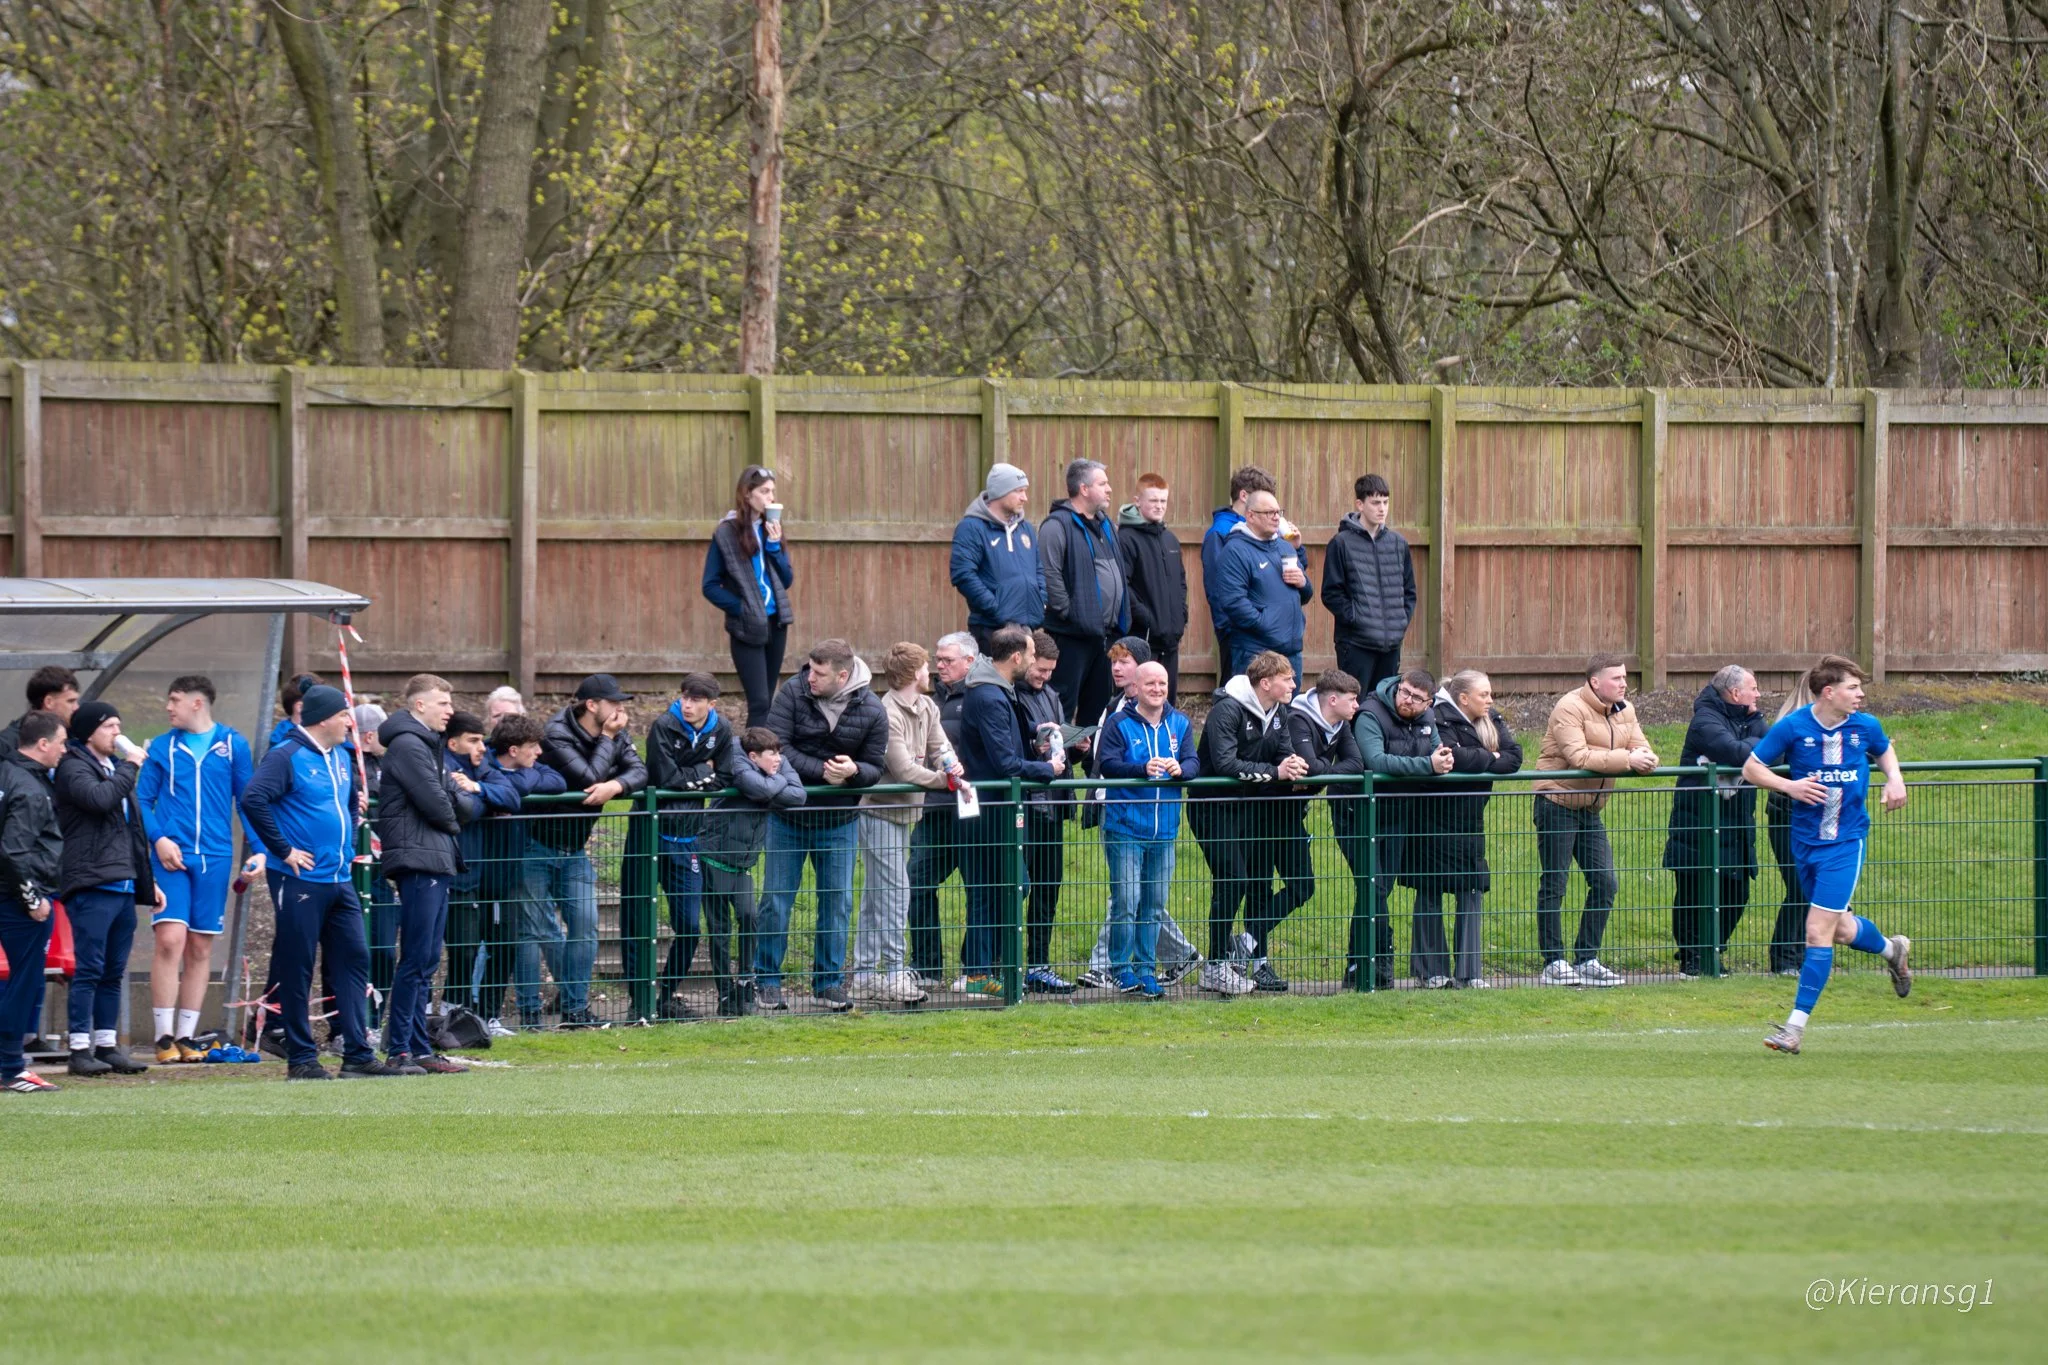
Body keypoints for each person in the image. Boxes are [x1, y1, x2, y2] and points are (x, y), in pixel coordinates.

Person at [1746, 655, 1912, 1055]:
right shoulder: (1794, 726)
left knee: (1816, 931)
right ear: (1829, 692)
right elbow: (1752, 767)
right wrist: (1790, 787)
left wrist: (1895, 779)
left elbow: (1884, 750)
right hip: (1804, 842)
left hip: (1845, 843)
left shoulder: (1866, 726)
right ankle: (1894, 950)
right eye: (1854, 688)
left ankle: (1793, 1029)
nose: (1861, 695)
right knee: (1839, 930)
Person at [240, 686, 402, 1079]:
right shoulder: (286, 756)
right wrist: (284, 850)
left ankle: (358, 1056)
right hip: (300, 880)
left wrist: (345, 842)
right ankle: (301, 1059)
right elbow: (253, 799)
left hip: (338, 878)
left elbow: (348, 801)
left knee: (354, 958)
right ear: (323, 718)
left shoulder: (342, 757)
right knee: (297, 967)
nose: (351, 721)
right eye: (345, 714)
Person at [759, 639, 889, 1011]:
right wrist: (823, 772)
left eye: (819, 673)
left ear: (842, 675)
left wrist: (853, 772)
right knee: (776, 902)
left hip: (839, 820)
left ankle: (829, 983)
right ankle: (766, 980)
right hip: (788, 817)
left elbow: (874, 768)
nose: (810, 678)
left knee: (837, 903)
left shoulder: (873, 709)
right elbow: (776, 747)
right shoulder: (792, 693)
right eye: (810, 669)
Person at [135, 675, 260, 1065]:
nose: (168, 707)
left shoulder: (233, 744)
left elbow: (248, 800)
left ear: (197, 703)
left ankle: (188, 1037)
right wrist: (158, 839)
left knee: (201, 946)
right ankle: (163, 1036)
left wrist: (258, 851)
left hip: (216, 857)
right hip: (171, 856)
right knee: (171, 939)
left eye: (174, 700)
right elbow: (140, 799)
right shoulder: (161, 747)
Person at [1075, 635, 1202, 989]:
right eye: (1150, 683)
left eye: (1162, 683)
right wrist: (1142, 768)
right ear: (1138, 686)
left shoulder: (1179, 724)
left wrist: (1182, 770)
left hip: (1165, 831)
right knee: (1126, 902)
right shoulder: (1119, 723)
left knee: (1153, 903)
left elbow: (1194, 762)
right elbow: (1109, 765)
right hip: (1126, 826)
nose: (1157, 689)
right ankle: (1120, 969)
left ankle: (1146, 970)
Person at [1530, 654, 1658, 987]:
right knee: (1555, 884)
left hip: (1590, 809)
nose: (1624, 683)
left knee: (1605, 883)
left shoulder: (1625, 710)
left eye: (1625, 677)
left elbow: (1641, 747)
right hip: (1557, 801)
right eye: (1616, 678)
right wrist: (1629, 759)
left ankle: (1586, 958)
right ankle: (1553, 962)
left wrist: (1646, 758)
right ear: (1594, 682)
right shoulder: (1569, 708)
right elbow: (1579, 757)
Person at [955, 626, 1065, 995]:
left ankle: (983, 970)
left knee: (1004, 885)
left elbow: (1009, 742)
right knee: (1001, 886)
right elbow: (1004, 762)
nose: (1035, 660)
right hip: (989, 808)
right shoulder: (988, 695)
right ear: (1016, 657)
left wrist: (1037, 733)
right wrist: (1047, 771)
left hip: (998, 806)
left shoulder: (998, 691)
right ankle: (979, 971)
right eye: (1032, 654)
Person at [533, 674, 648, 1027]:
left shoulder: (615, 733)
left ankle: (575, 1009)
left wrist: (616, 784)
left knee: (585, 926)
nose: (620, 710)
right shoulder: (555, 734)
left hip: (575, 849)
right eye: (613, 702)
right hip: (535, 846)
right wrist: (609, 739)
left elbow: (640, 770)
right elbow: (586, 778)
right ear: (591, 705)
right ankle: (523, 1012)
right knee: (529, 929)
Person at [1191, 651, 1308, 995]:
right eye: (1287, 678)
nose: (1293, 684)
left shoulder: (1279, 712)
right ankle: (1215, 964)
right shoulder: (1227, 710)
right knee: (1233, 879)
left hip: (1249, 809)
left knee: (1253, 881)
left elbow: (1282, 752)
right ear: (1266, 682)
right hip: (1214, 810)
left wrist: (1293, 764)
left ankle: (1244, 960)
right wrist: (1276, 772)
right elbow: (1226, 763)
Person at [376, 674, 476, 1075]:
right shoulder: (408, 745)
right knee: (416, 959)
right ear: (419, 706)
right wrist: (454, 813)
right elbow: (441, 804)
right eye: (442, 703)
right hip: (419, 860)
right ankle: (400, 1049)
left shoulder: (427, 745)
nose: (450, 711)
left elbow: (458, 801)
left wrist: (455, 806)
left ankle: (418, 1048)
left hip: (435, 857)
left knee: (427, 958)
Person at [52, 702, 159, 1076]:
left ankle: (107, 1045)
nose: (117, 731)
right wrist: (131, 764)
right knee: (90, 967)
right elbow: (99, 800)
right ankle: (79, 1048)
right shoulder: (72, 768)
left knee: (114, 969)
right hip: (91, 882)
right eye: (110, 725)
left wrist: (147, 881)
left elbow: (132, 830)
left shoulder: (113, 768)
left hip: (122, 884)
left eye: (119, 724)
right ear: (89, 732)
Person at [853, 643, 959, 1004]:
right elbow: (903, 770)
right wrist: (942, 781)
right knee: (896, 893)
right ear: (916, 673)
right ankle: (895, 972)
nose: (930, 673)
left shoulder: (927, 706)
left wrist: (951, 765)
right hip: (879, 812)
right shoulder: (887, 713)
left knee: (875, 896)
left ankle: (865, 974)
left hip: (906, 815)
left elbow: (940, 746)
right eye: (927, 667)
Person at [1411, 671, 1522, 988]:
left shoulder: (1491, 717)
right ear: (1463, 698)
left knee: (1472, 888)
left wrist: (1480, 759)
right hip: (1432, 817)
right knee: (1430, 888)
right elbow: (1450, 756)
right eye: (1484, 694)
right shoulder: (1435, 716)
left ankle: (1470, 972)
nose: (1490, 700)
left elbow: (1514, 757)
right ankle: (1431, 971)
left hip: (1471, 819)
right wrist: (1490, 757)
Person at [1662, 665, 1768, 978]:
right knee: (1694, 894)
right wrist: (1762, 744)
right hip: (1698, 828)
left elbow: (1771, 749)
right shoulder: (1705, 720)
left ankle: (1714, 952)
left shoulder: (1750, 719)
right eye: (1753, 687)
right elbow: (1736, 753)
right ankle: (1692, 960)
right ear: (1736, 694)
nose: (1758, 694)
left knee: (1736, 894)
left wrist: (1759, 731)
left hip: (1735, 826)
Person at [1355, 668, 1455, 987]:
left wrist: (1443, 761)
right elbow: (1377, 761)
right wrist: (1427, 766)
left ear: (1429, 703)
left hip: (1397, 812)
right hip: (1357, 812)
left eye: (1416, 698)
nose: (1407, 700)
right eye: (1405, 692)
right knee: (1373, 887)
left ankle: (1357, 966)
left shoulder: (1427, 720)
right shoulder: (1371, 713)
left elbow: (1439, 752)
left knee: (1379, 887)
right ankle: (1379, 959)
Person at [644, 673, 736, 1020]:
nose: (688, 704)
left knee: (689, 927)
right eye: (685, 697)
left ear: (712, 704)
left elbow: (725, 776)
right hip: (651, 835)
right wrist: (703, 772)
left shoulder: (722, 729)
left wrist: (694, 778)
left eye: (697, 699)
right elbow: (664, 778)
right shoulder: (664, 726)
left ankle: (666, 997)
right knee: (639, 918)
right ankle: (641, 999)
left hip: (689, 839)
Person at [697, 727, 806, 1017]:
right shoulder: (737, 763)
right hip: (715, 859)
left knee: (749, 918)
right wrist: (775, 784)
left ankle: (746, 985)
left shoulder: (773, 768)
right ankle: (724, 993)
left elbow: (799, 795)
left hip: (743, 865)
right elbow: (760, 789)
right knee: (719, 930)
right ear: (753, 756)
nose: (779, 759)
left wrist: (774, 780)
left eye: (780, 753)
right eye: (772, 754)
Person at [1284, 671, 1370, 987]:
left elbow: (1356, 764)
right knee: (1258, 885)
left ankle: (1248, 943)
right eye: (1352, 700)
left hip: (1296, 814)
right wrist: (1327, 771)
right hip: (1268, 811)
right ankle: (1247, 951)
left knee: (1303, 887)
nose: (1357, 706)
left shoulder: (1341, 725)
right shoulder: (1298, 720)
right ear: (1333, 700)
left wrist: (1323, 771)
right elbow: (1308, 769)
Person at [482, 714, 567, 1031]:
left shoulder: (522, 769)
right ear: (514, 750)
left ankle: (488, 1016)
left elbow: (557, 782)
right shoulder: (484, 765)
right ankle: (467, 1014)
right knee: (476, 947)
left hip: (511, 867)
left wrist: (514, 788)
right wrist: (513, 788)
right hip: (480, 871)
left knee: (507, 941)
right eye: (533, 747)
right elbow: (494, 785)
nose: (539, 753)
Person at [0, 714, 66, 1093]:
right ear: (42, 744)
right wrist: (33, 899)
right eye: (61, 741)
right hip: (18, 899)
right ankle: (11, 1068)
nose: (64, 749)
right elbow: (12, 851)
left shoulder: (8, 774)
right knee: (23, 982)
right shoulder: (30, 788)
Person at [906, 633, 976, 984]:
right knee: (915, 881)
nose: (939, 665)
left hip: (971, 809)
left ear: (970, 662)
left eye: (947, 659)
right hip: (933, 809)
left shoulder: (982, 698)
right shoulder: (928, 700)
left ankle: (977, 968)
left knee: (981, 889)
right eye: (937, 659)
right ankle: (927, 965)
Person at [704, 464, 795, 725]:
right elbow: (709, 585)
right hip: (746, 627)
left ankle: (762, 757)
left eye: (773, 492)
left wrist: (774, 546)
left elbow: (786, 580)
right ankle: (753, 759)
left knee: (768, 697)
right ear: (747, 494)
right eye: (765, 491)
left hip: (776, 623)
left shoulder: (772, 528)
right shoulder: (726, 533)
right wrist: (742, 608)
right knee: (759, 702)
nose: (771, 498)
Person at [441, 710, 518, 1021]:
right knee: (461, 949)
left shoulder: (479, 767)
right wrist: (482, 800)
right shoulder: (440, 766)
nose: (482, 747)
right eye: (473, 741)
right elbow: (462, 811)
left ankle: (479, 1017)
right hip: (452, 875)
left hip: (480, 874)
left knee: (489, 946)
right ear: (453, 743)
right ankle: (448, 1013)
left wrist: (477, 789)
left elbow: (511, 797)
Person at [1039, 458, 1127, 723]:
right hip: (1070, 636)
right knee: (1061, 706)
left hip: (1103, 636)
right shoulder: (1057, 525)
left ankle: (1094, 764)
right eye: (1103, 483)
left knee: (1099, 708)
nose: (1110, 489)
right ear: (1083, 488)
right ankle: (1056, 763)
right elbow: (1049, 573)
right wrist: (1068, 611)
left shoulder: (1107, 525)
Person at [1016, 631, 1079, 994]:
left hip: (1053, 806)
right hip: (1025, 805)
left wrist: (1076, 745)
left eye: (1050, 670)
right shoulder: (1011, 697)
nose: (1045, 677)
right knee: (1016, 886)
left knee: (1048, 887)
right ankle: (1001, 964)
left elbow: (1060, 751)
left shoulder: (1052, 695)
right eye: (1041, 669)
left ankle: (1039, 964)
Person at [1320, 473, 1417, 692]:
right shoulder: (1341, 543)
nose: (1382, 509)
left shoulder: (1398, 544)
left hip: (1391, 645)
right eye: (1375, 503)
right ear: (1360, 504)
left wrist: (1400, 622)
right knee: (1353, 706)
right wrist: (1356, 618)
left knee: (1384, 707)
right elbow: (1331, 593)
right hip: (1356, 645)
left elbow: (1409, 592)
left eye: (1385, 502)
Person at [1211, 487, 1313, 680]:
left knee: (1288, 710)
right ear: (1250, 515)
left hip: (1291, 653)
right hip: (1256, 653)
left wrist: (1303, 582)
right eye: (1269, 513)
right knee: (1256, 710)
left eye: (1278, 512)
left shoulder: (1284, 547)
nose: (1276, 517)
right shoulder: (1235, 551)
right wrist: (1266, 623)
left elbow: (1306, 595)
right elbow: (1233, 603)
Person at [950, 462, 1044, 652]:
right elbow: (963, 574)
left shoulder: (1026, 529)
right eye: (1019, 491)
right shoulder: (972, 528)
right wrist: (997, 609)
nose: (1025, 498)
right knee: (995, 682)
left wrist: (1041, 603)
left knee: (1025, 683)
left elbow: (1039, 569)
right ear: (1001, 492)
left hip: (1027, 628)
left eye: (1025, 491)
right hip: (991, 630)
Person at [1202, 466, 1277, 685]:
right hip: (1236, 633)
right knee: (1235, 692)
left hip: (1262, 631)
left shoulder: (1260, 532)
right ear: (1244, 496)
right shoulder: (1221, 533)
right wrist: (1230, 629)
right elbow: (1218, 588)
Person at [1764, 674, 1817, 976]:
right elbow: (1767, 763)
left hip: (1813, 818)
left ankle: (1798, 957)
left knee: (1809, 888)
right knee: (1798, 886)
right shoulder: (1792, 723)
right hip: (1787, 815)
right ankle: (1783, 958)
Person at [1117, 473, 1188, 699]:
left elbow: (1181, 583)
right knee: (1142, 701)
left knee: (1167, 703)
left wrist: (1181, 615)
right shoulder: (1126, 538)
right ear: (1138, 501)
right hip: (1144, 639)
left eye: (1163, 501)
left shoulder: (1170, 540)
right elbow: (1122, 585)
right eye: (1153, 501)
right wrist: (1145, 617)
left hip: (1171, 640)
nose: (1159, 506)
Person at [0, 664, 81, 751]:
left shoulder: (76, 733)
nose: (76, 707)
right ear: (49, 702)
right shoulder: (7, 744)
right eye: (70, 701)